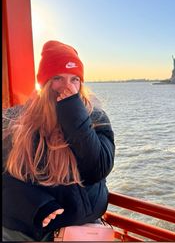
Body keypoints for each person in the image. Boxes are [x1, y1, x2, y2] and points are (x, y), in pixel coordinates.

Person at [2, 40, 115, 241]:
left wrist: (73, 114)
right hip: (28, 230)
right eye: (57, 78)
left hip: (83, 231)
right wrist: (34, 205)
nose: (67, 87)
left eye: (74, 79)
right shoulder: (17, 120)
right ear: (44, 83)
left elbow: (97, 168)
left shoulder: (96, 119)